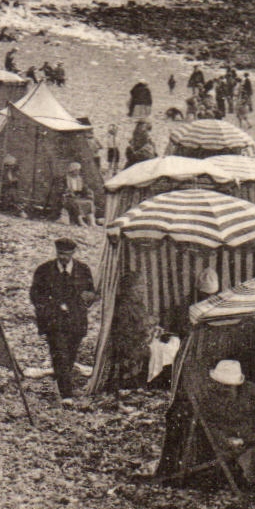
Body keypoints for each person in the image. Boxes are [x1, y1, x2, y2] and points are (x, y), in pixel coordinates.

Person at [29, 237, 96, 400]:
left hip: (76, 322)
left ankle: (62, 381)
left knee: (70, 355)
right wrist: (49, 310)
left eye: (66, 254)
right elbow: (35, 295)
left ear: (73, 253)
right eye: (60, 253)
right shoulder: (44, 270)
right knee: (59, 354)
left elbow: (90, 292)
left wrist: (88, 298)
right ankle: (66, 395)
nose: (63, 257)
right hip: (54, 322)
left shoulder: (83, 270)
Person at [201, 359, 255, 484]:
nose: (224, 389)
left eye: (228, 386)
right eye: (221, 385)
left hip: (250, 433)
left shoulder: (251, 389)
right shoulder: (210, 398)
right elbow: (210, 425)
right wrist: (225, 440)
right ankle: (249, 476)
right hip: (229, 438)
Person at [100, 269, 151, 391]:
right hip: (127, 342)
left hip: (138, 339)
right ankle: (136, 382)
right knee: (153, 350)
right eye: (138, 285)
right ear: (129, 289)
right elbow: (124, 331)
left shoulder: (139, 305)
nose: (142, 289)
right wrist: (145, 332)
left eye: (143, 285)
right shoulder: (123, 306)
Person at [56, 161, 96, 225]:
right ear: (72, 170)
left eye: (78, 170)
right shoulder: (65, 179)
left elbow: (84, 188)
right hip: (67, 197)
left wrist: (88, 193)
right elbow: (60, 189)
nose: (78, 172)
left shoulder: (79, 179)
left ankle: (92, 222)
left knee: (89, 203)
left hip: (78, 196)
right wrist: (68, 192)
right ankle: (80, 221)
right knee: (76, 203)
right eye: (76, 170)